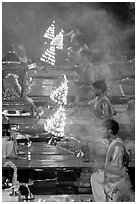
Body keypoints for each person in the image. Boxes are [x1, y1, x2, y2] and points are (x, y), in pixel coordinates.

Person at [90, 119, 132, 202]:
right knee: (95, 177)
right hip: (111, 179)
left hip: (117, 184)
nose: (101, 132)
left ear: (109, 131)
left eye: (103, 130)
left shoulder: (117, 147)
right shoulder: (112, 142)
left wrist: (102, 166)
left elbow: (119, 170)